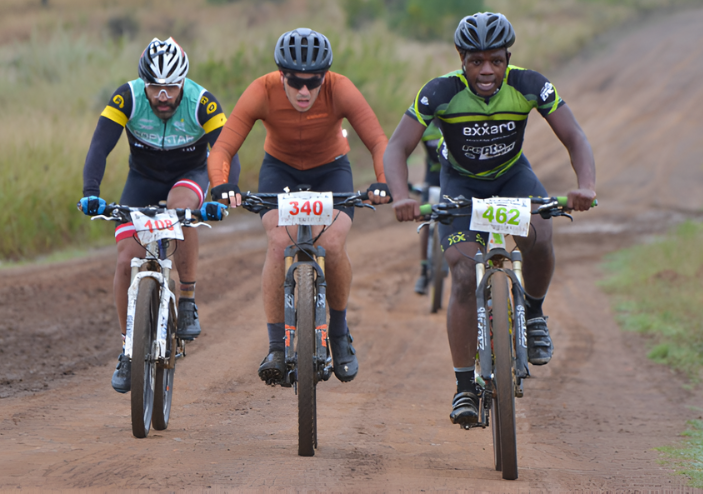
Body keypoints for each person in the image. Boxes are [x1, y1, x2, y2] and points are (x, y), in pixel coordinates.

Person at [383, 12, 596, 424]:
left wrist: (585, 186)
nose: (486, 71)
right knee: (463, 276)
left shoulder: (530, 84)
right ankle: (465, 388)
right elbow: (397, 147)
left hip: (513, 177)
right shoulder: (439, 92)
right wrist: (401, 196)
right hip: (460, 184)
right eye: (476, 61)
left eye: (495, 61)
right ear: (461, 58)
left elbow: (575, 136)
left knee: (542, 234)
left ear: (507, 58)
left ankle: (533, 313)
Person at [207, 28, 391, 385]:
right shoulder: (261, 91)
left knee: (333, 243)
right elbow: (223, 149)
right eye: (295, 82)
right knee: (278, 243)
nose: (304, 91)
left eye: (314, 82)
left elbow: (378, 141)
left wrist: (383, 182)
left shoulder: (341, 88)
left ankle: (338, 334)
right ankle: (277, 346)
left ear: (325, 76)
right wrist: (222, 185)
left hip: (331, 171)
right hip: (280, 171)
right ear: (281, 75)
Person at [79, 37, 240, 393]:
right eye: (155, 87)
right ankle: (127, 350)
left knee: (181, 209)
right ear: (144, 84)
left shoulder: (202, 101)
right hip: (142, 180)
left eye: (171, 87)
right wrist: (91, 193)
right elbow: (99, 147)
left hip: (190, 176)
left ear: (183, 82)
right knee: (125, 262)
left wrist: (223, 192)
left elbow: (226, 149)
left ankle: (187, 299)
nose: (163, 96)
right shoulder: (128, 97)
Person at [413, 120, 443, 294]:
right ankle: (424, 271)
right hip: (432, 177)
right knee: (425, 220)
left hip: (454, 176)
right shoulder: (426, 128)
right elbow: (406, 148)